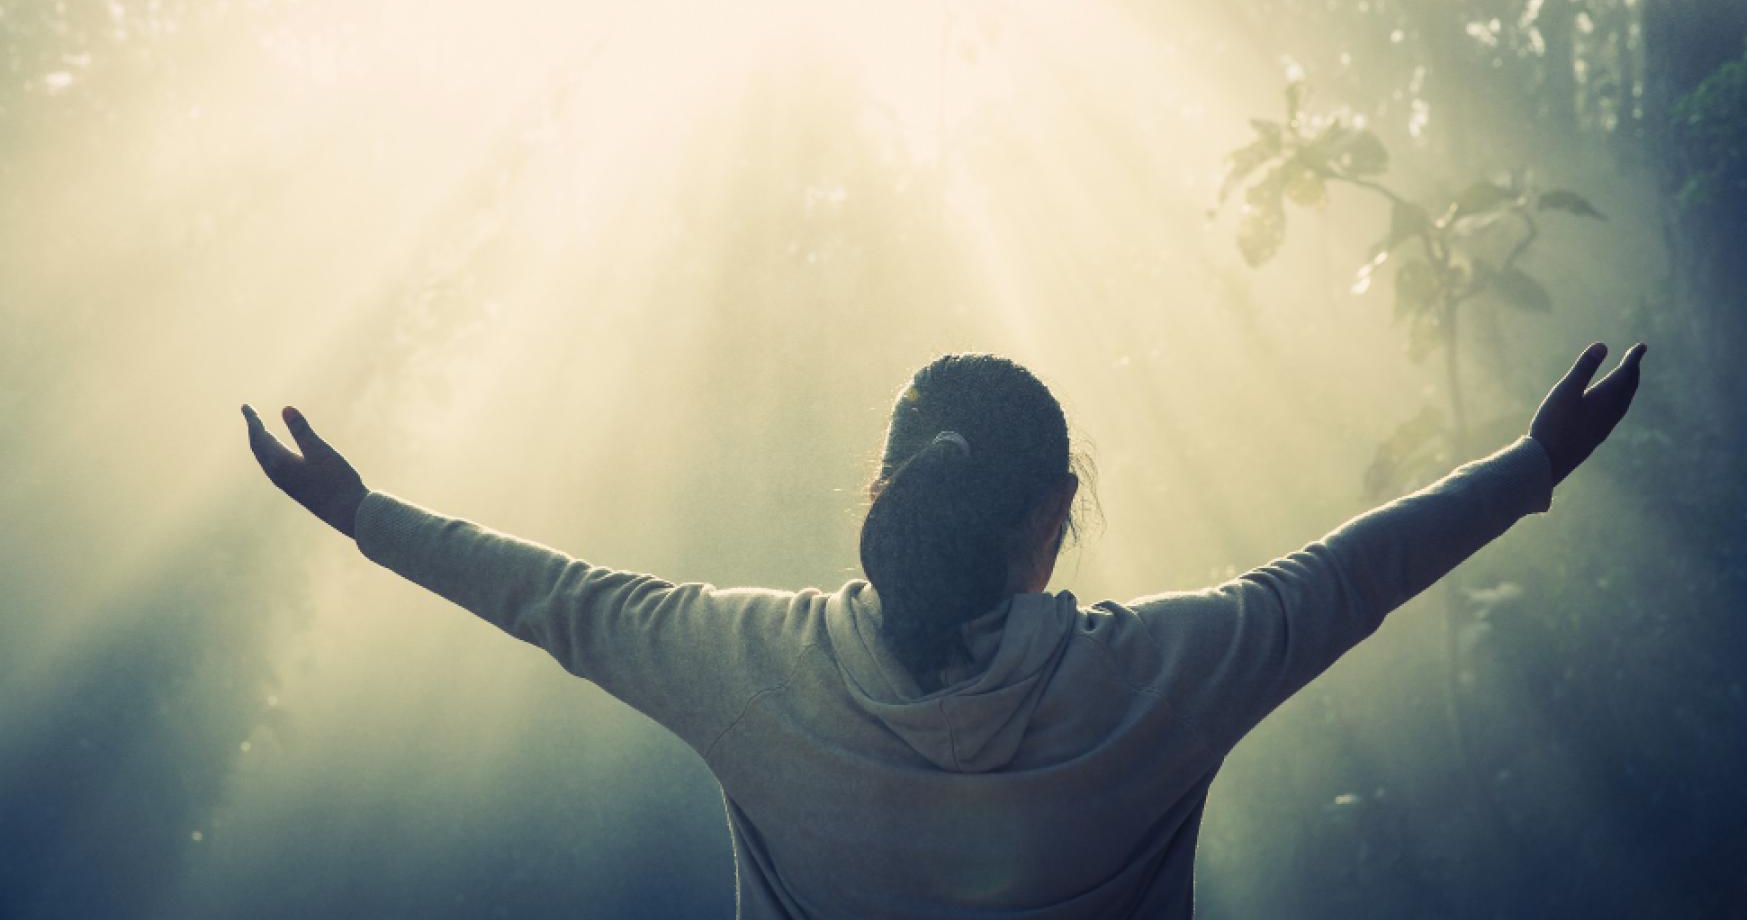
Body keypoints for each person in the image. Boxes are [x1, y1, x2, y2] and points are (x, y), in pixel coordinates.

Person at [243, 341, 1646, 918]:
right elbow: (1348, 576)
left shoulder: (747, 665)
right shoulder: (1162, 679)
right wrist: (1529, 467)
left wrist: (363, 511)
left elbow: (552, 596)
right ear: (1054, 516)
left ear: (888, 490)